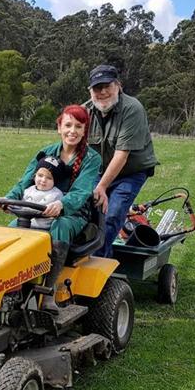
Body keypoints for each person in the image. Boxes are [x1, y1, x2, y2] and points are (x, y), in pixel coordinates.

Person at [0, 105, 101, 313]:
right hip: (38, 208)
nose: (72, 131)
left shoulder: (91, 159)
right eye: (68, 125)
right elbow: (26, 181)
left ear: (84, 131)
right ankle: (11, 287)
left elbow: (81, 192)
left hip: (73, 213)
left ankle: (48, 291)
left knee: (60, 226)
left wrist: (62, 205)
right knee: (13, 228)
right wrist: (8, 198)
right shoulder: (46, 152)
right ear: (59, 127)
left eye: (78, 126)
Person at [84, 64, 158, 258]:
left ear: (118, 85)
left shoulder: (132, 108)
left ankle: (97, 262)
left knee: (113, 214)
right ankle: (96, 254)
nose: (102, 92)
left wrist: (101, 187)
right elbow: (74, 147)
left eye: (106, 86)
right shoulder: (85, 111)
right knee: (87, 211)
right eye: (97, 88)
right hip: (100, 169)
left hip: (131, 172)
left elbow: (121, 155)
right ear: (90, 91)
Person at [22, 155, 67, 230]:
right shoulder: (28, 190)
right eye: (40, 175)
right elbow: (21, 206)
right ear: (35, 175)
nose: (43, 180)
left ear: (55, 181)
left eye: (49, 178)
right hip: (26, 224)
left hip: (44, 229)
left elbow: (57, 212)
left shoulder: (56, 195)